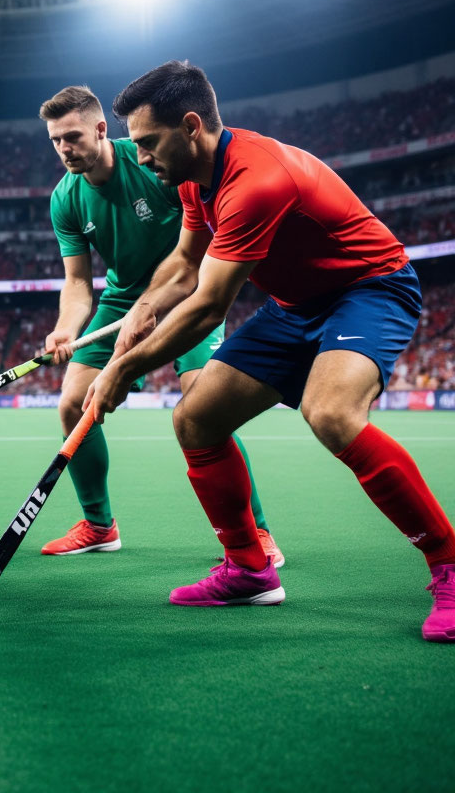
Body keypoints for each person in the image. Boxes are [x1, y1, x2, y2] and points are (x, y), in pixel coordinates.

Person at [86, 60, 455, 642]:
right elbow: (183, 264)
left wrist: (121, 368)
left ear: (191, 127)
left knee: (331, 413)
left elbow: (209, 307)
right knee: (196, 419)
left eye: (149, 142)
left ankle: (449, 564)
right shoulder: (191, 178)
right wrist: (144, 306)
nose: (141, 156)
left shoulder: (256, 181)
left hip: (369, 288)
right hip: (295, 305)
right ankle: (249, 570)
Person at [37, 85, 283, 564]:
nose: (64, 148)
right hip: (122, 299)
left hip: (187, 289)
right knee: (72, 404)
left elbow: (199, 239)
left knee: (204, 403)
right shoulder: (65, 199)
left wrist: (167, 297)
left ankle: (256, 532)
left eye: (72, 136)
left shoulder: (152, 161)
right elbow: (78, 284)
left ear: (101, 130)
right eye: (55, 140)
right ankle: (99, 525)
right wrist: (66, 328)